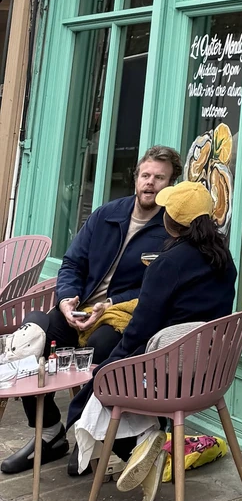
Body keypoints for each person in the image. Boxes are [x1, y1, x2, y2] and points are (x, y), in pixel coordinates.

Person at [1, 145, 181, 477]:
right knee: (31, 340)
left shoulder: (170, 230)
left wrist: (109, 304)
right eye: (145, 175)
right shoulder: (106, 214)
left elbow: (156, 287)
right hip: (79, 309)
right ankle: (49, 433)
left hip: (120, 317)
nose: (150, 183)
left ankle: (89, 434)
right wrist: (66, 300)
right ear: (135, 177)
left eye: (159, 178)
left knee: (100, 350)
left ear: (171, 184)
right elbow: (72, 263)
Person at [79, 179, 238, 495]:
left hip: (167, 377)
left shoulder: (167, 264)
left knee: (100, 384)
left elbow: (139, 328)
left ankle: (139, 445)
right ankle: (142, 445)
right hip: (210, 376)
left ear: (171, 222)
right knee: (104, 380)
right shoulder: (225, 259)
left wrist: (109, 366)